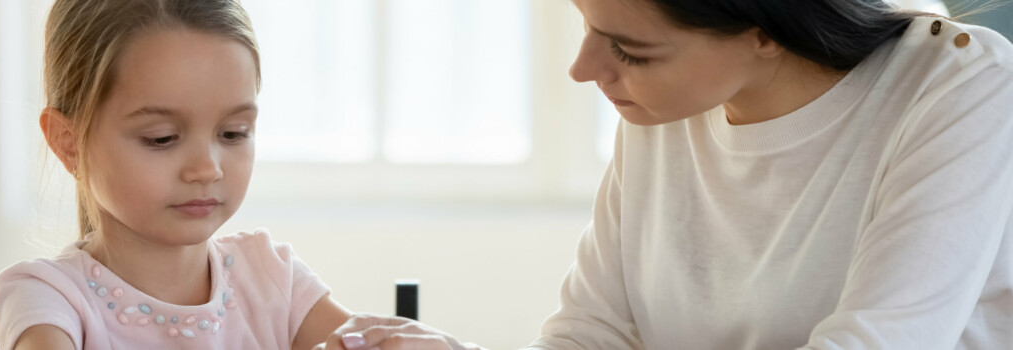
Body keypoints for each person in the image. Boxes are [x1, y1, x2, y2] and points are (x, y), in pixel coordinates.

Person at [317, 0, 1013, 349]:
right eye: (585, 23)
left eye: (630, 50)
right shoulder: (670, 106)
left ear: (766, 30)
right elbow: (595, 332)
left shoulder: (958, 85)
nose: (584, 69)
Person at [0, 0, 352, 348]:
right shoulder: (49, 298)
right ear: (68, 144)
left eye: (233, 133)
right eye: (161, 138)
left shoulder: (272, 276)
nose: (206, 169)